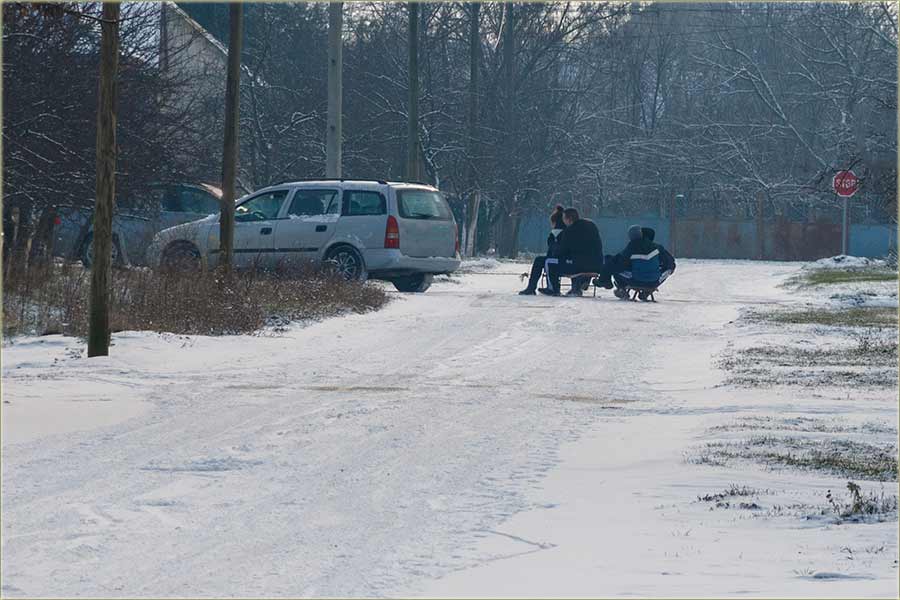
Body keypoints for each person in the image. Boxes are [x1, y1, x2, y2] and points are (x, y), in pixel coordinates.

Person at [595, 225, 675, 300]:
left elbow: (620, 264)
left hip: (636, 280)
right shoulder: (657, 247)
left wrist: (607, 271)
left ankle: (621, 288)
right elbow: (670, 262)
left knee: (614, 266)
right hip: (654, 281)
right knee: (669, 269)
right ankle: (647, 291)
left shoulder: (631, 247)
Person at [540, 207, 603, 296]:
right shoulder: (591, 225)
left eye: (564, 219)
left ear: (569, 219)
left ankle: (552, 289)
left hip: (578, 266)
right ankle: (578, 286)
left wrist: (552, 245)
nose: (563, 221)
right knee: (576, 259)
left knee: (549, 261)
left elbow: (561, 251)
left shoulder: (569, 231)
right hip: (597, 265)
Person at [518, 205, 567, 295]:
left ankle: (532, 287)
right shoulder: (567, 231)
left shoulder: (556, 233)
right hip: (564, 259)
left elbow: (554, 250)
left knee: (539, 260)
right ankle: (532, 287)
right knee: (539, 260)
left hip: (559, 261)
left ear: (554, 222)